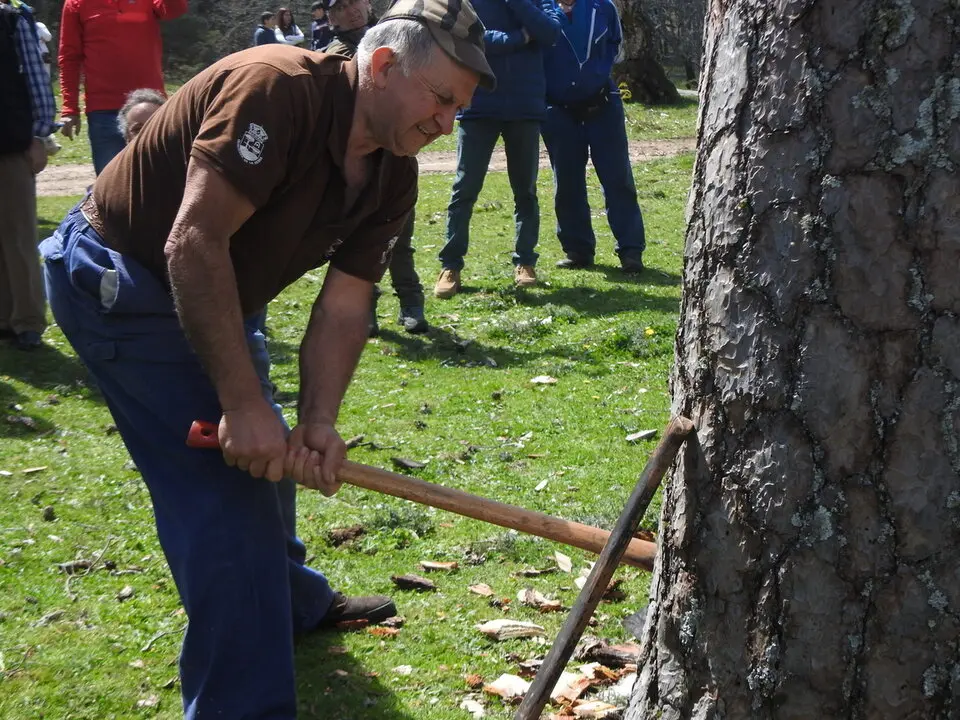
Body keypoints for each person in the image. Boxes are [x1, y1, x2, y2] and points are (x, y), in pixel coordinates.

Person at [39, 0, 493, 715]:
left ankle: (290, 602)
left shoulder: (393, 170)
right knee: (228, 501)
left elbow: (345, 305)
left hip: (218, 282)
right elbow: (193, 240)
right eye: (440, 99)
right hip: (126, 278)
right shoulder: (275, 89)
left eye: (458, 109)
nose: (446, 123)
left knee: (268, 454)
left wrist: (318, 422)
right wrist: (242, 402)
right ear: (381, 66)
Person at [434, 0, 561, 298]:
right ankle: (450, 265)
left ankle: (525, 261)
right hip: (478, 104)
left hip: (524, 106)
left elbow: (551, 32)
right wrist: (518, 38)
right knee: (464, 188)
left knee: (525, 191)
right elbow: (468, 38)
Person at [322, 0, 428, 335]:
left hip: (396, 156)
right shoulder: (335, 54)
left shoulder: (394, 37)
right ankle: (364, 307)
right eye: (341, 6)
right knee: (357, 240)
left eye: (356, 1)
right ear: (331, 16)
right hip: (357, 161)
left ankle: (411, 302)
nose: (351, 10)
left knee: (399, 238)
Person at [541, 0, 645, 272]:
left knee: (617, 178)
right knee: (567, 182)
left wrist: (595, 72)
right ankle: (577, 250)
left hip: (603, 105)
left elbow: (616, 48)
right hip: (557, 110)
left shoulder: (603, 7)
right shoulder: (538, 7)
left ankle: (631, 251)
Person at [58, 0, 187, 176]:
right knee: (111, 183)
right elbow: (69, 58)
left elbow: (175, 9)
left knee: (157, 179)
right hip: (103, 110)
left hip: (148, 108)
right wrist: (70, 108)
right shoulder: (76, 3)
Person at [0, 0, 55, 351]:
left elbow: (37, 80)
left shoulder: (11, 20)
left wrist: (39, 135)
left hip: (10, 141)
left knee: (19, 235)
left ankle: (27, 322)